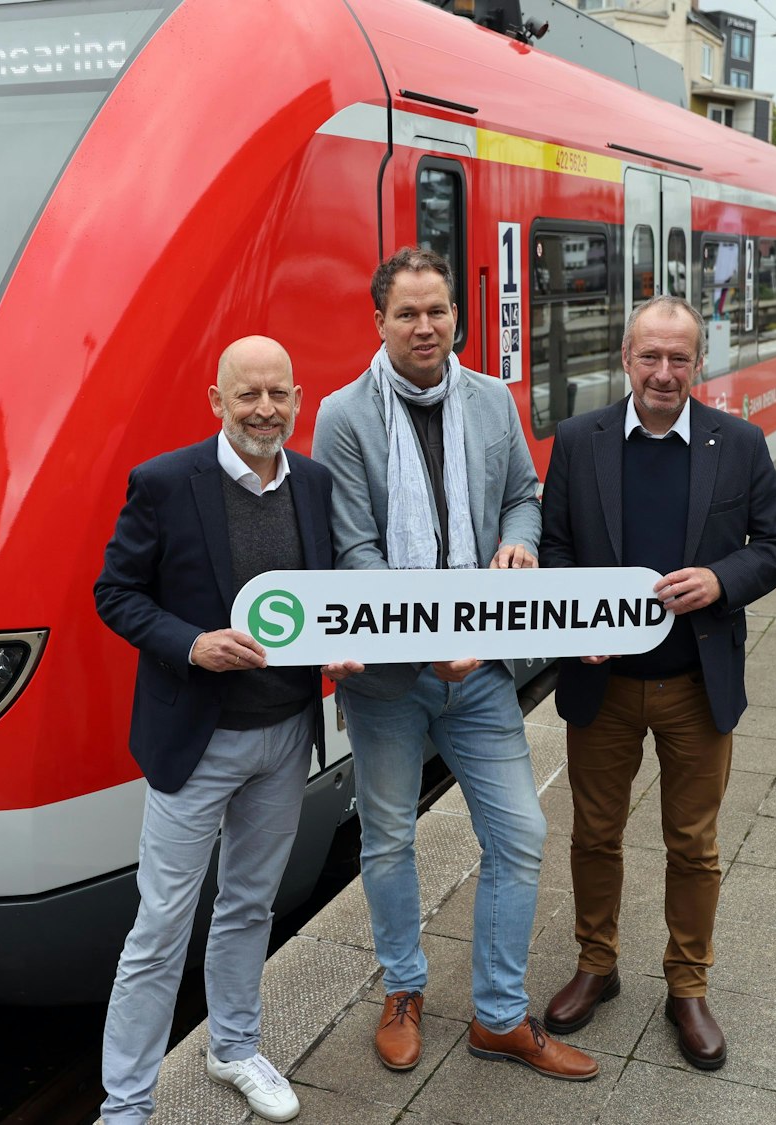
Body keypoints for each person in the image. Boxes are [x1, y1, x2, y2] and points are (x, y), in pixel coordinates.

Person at [313, 247, 597, 1082]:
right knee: (389, 837)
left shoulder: (489, 400)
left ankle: (499, 1016)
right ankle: (403, 989)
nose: (426, 326)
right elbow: (354, 547)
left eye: (437, 310)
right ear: (380, 322)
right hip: (390, 683)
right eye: (407, 313)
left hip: (481, 676)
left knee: (520, 832)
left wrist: (518, 538)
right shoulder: (343, 415)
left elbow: (521, 491)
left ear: (455, 318)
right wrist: (426, 635)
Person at [92, 336, 359, 1125]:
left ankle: (234, 1045)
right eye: (248, 395)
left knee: (249, 903)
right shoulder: (166, 483)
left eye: (278, 394)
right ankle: (125, 1103)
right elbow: (115, 593)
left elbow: (328, 594)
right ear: (217, 401)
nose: (264, 410)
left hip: (284, 737)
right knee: (162, 922)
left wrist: (343, 644)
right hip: (195, 742)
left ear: (299, 400)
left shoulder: (314, 483)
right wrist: (192, 643)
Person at [537, 296, 776, 1070]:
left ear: (697, 363)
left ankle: (687, 985)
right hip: (604, 687)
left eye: (678, 358)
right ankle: (598, 964)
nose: (663, 372)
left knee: (693, 843)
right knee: (595, 832)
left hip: (696, 682)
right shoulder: (579, 443)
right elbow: (554, 547)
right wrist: (575, 621)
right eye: (649, 356)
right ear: (625, 359)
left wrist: (722, 579)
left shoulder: (739, 443)